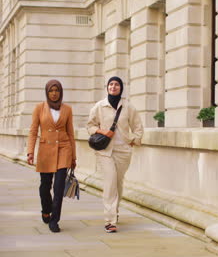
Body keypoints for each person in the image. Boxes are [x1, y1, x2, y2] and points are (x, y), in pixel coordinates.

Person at [87, 76, 143, 233]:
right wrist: (102, 131)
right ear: (107, 87)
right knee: (110, 182)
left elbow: (138, 127)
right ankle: (109, 220)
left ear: (121, 88)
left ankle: (115, 212)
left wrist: (134, 140)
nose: (113, 87)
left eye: (116, 84)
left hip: (123, 151)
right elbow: (90, 126)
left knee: (118, 183)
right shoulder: (99, 106)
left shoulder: (129, 107)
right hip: (105, 151)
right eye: (111, 84)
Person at [27, 79, 76, 233]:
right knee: (45, 186)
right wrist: (30, 151)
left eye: (57, 90)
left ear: (61, 92)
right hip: (45, 150)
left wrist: (73, 156)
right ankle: (46, 209)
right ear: (47, 92)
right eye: (51, 91)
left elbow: (71, 133)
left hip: (64, 149)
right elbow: (33, 130)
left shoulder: (67, 109)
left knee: (59, 186)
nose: (54, 93)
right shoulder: (39, 108)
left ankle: (55, 220)